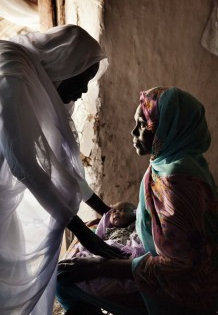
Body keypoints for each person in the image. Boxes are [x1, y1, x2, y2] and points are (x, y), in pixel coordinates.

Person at [58, 87, 218, 315]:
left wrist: (99, 267)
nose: (133, 132)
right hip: (180, 273)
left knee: (62, 280)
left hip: (183, 294)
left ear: (168, 129)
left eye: (143, 125)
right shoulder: (181, 161)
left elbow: (177, 265)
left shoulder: (176, 181)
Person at [0, 24, 123, 315]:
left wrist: (103, 208)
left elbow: (64, 164)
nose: (82, 91)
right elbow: (24, 165)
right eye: (82, 80)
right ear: (64, 66)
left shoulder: (43, 86)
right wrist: (80, 231)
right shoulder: (12, 76)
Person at [57, 201, 146, 314]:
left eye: (123, 210)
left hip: (124, 251)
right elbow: (98, 237)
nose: (116, 213)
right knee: (61, 273)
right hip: (109, 247)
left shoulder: (134, 226)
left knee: (61, 280)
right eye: (114, 211)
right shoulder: (108, 230)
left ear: (134, 214)